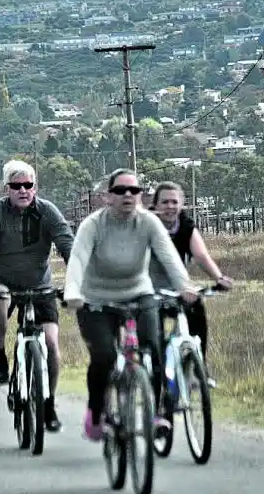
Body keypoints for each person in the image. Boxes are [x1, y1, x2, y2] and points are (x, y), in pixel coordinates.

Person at [63, 168, 198, 442]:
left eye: (134, 190)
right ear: (107, 197)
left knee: (153, 346)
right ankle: (97, 411)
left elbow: (169, 255)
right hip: (96, 299)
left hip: (139, 293)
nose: (128, 195)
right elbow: (77, 259)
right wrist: (72, 292)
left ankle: (158, 411)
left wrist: (184, 285)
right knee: (104, 356)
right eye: (120, 190)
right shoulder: (93, 224)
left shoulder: (148, 222)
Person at [0, 159, 75, 433]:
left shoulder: (47, 211)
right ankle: (0, 357)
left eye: (29, 185)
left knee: (51, 343)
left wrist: (78, 280)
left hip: (40, 286)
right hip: (3, 281)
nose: (23, 190)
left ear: (35, 187)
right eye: (17, 186)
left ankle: (48, 404)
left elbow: (67, 244)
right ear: (7, 189)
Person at [149, 181, 233, 379]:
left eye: (174, 202)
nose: (170, 207)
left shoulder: (186, 226)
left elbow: (201, 256)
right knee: (154, 336)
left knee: (197, 308)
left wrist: (219, 278)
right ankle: (157, 376)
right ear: (155, 205)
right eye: (164, 202)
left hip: (179, 289)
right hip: (149, 290)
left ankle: (199, 367)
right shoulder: (146, 225)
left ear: (182, 204)